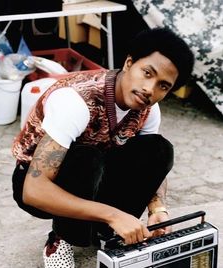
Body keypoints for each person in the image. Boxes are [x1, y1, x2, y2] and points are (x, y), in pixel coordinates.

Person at [11, 27, 194, 267]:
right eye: (147, 73)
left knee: (158, 149)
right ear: (129, 63)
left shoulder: (148, 109)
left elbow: (149, 165)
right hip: (38, 181)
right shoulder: (75, 101)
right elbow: (33, 191)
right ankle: (61, 238)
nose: (150, 89)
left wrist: (158, 209)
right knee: (87, 158)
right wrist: (114, 214)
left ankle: (104, 231)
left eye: (163, 86)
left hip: (97, 169)